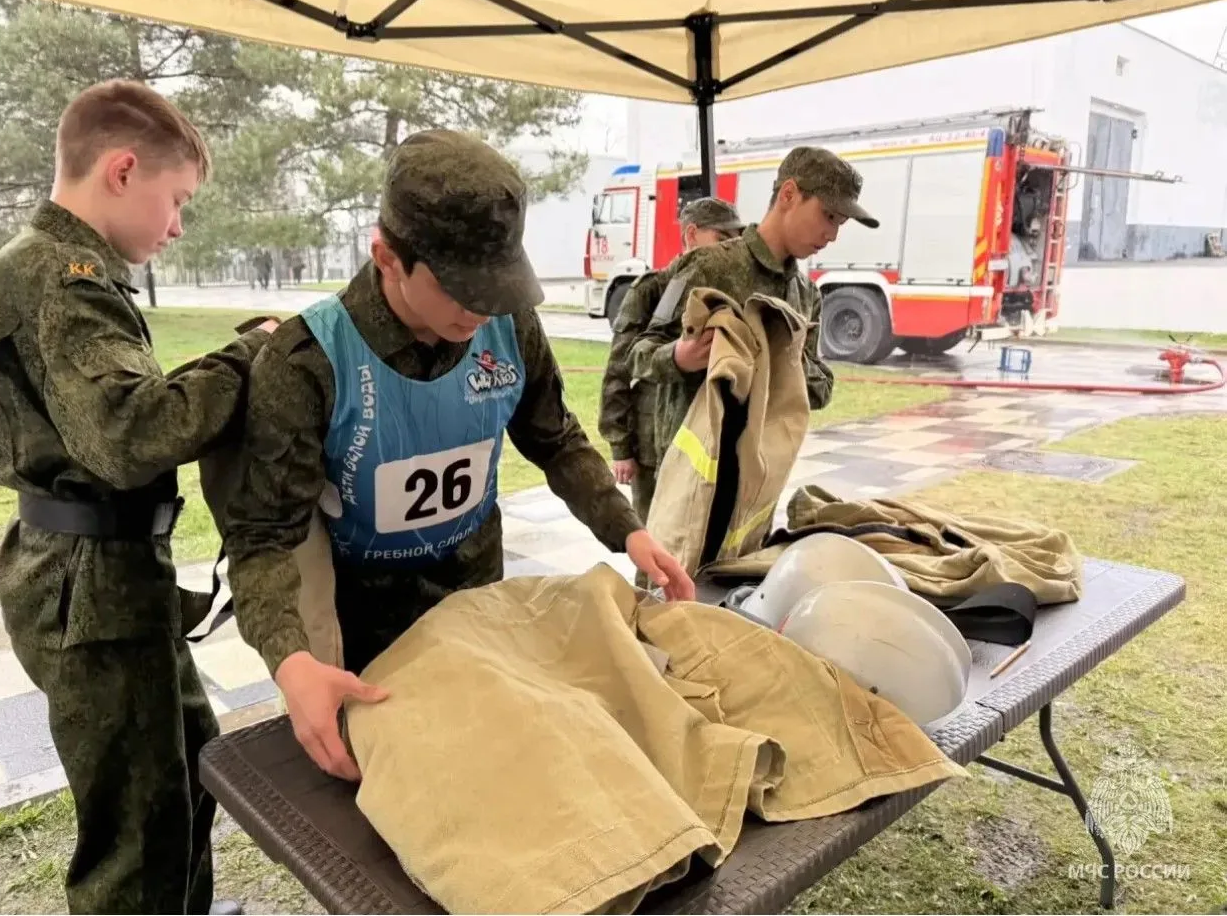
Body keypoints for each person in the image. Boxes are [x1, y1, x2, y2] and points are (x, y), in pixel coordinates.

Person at [220, 129, 696, 784]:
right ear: (386, 255)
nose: (480, 308)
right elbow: (262, 538)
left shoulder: (506, 322)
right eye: (460, 285)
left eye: (496, 285)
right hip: (368, 632)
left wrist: (628, 530)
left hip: (477, 600)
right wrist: (292, 660)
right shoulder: (308, 362)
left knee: (490, 772)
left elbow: (554, 437)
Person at [0, 79, 275, 916]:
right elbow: (133, 434)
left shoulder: (56, 271)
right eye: (175, 200)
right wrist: (248, 360)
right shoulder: (61, 280)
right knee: (134, 835)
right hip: (89, 587)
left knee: (190, 770)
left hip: (103, 575)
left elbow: (108, 414)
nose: (176, 226)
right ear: (123, 169)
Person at [629, 146, 878, 475]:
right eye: (828, 216)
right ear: (789, 194)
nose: (832, 235)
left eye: (841, 223)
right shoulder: (707, 268)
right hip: (691, 481)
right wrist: (679, 356)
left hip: (757, 481)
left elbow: (820, 389)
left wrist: (786, 363)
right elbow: (639, 354)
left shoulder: (806, 295)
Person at [599, 196, 745, 521]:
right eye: (722, 239)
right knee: (655, 539)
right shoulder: (657, 289)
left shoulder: (734, 293)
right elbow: (620, 369)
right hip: (654, 445)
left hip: (712, 442)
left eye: (736, 240)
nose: (731, 249)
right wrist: (621, 448)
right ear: (691, 235)